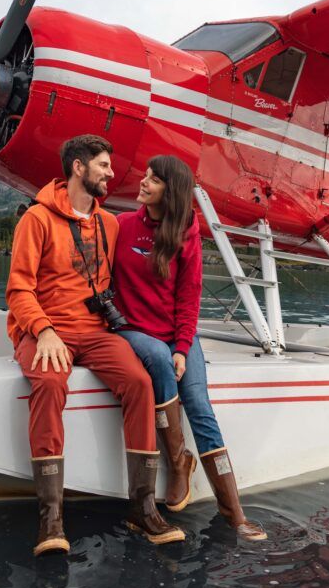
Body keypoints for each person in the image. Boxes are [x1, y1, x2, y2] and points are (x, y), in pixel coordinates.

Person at [6, 135, 185, 556]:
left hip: (95, 332)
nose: (111, 173)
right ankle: (51, 518)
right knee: (50, 384)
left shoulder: (109, 223)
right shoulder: (36, 219)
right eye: (104, 165)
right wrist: (43, 330)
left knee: (140, 383)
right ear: (79, 168)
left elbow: (150, 242)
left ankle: (142, 508)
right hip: (45, 329)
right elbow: (18, 289)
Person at [114, 154, 267, 541]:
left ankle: (235, 515)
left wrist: (183, 346)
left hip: (175, 333)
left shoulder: (186, 232)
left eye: (154, 180)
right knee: (157, 357)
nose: (143, 182)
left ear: (171, 190)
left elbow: (189, 295)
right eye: (145, 175)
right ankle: (178, 460)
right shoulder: (120, 225)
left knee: (199, 404)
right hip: (133, 329)